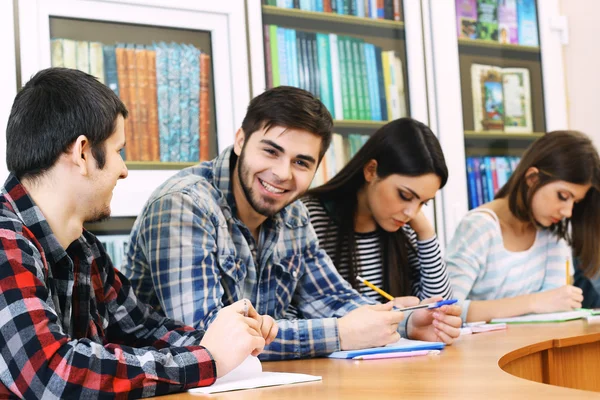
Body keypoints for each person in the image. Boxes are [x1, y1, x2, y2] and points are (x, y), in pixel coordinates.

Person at [123, 86, 462, 361]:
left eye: (301, 162)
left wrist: (407, 322)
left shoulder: (292, 212)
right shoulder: (184, 205)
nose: (283, 174)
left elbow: (331, 298)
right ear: (240, 140)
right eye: (271, 152)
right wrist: (340, 333)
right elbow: (205, 339)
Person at [0, 67, 277, 398]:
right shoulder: (5, 241)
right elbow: (51, 374)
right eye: (119, 150)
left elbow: (144, 329)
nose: (124, 170)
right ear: (83, 153)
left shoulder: (84, 249)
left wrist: (229, 336)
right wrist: (207, 359)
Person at [446, 130, 600, 322]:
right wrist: (533, 302)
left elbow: (553, 310)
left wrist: (546, 303)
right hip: (485, 351)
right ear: (532, 178)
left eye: (575, 202)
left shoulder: (553, 235)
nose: (568, 212)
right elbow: (447, 309)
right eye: (563, 196)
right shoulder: (480, 228)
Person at [302, 118, 453, 304]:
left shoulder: (404, 229)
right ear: (371, 170)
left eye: (424, 203)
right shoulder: (308, 219)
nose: (412, 213)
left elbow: (439, 308)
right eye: (405, 195)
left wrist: (426, 233)